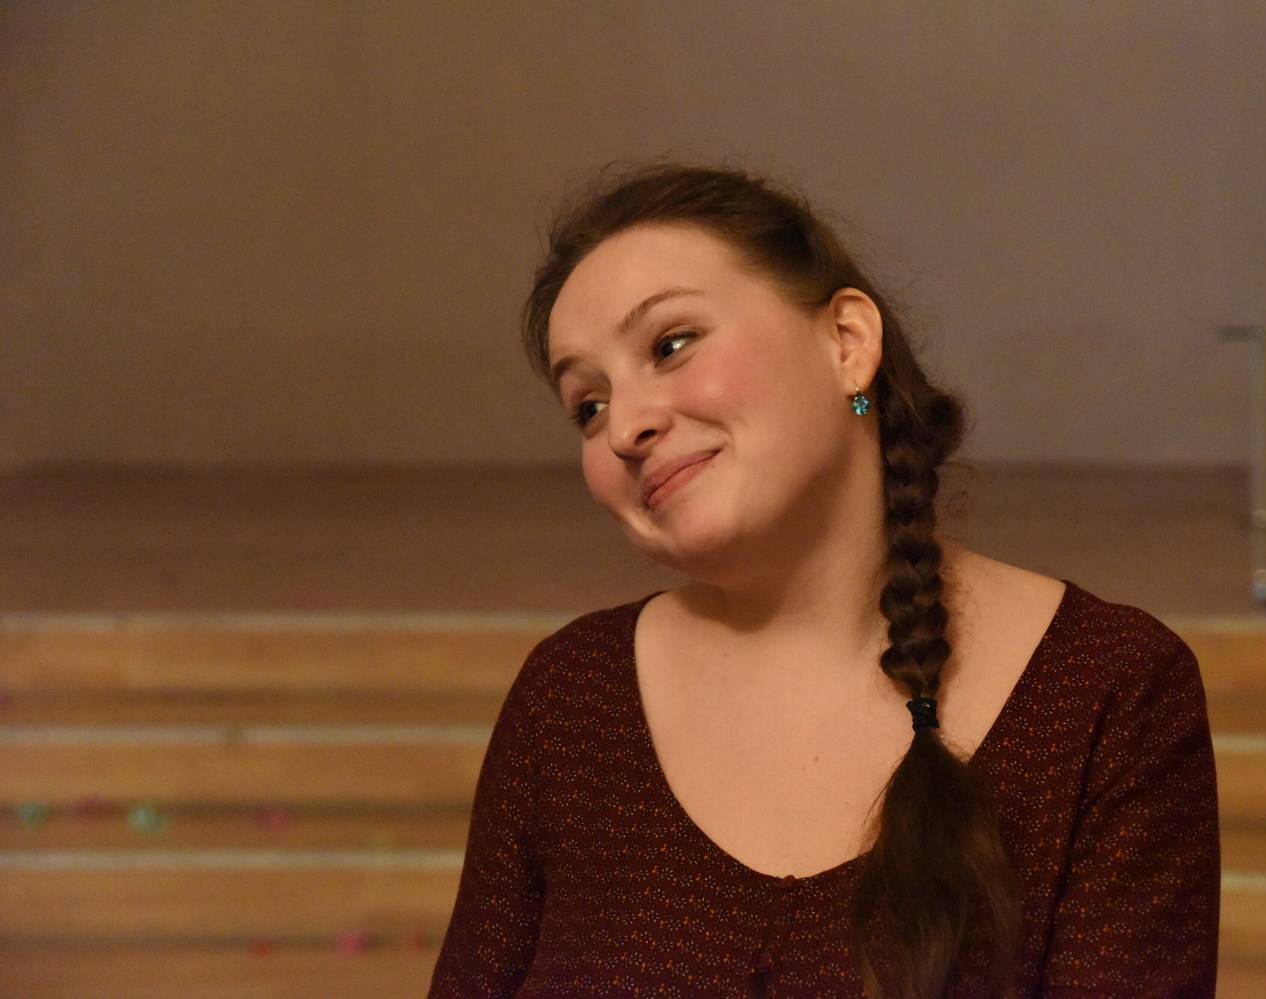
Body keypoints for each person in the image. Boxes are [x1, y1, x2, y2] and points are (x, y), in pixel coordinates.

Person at [428, 160, 1220, 998]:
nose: (625, 426)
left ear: (847, 342)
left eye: (671, 344)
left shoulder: (1105, 688)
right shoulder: (569, 701)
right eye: (587, 406)